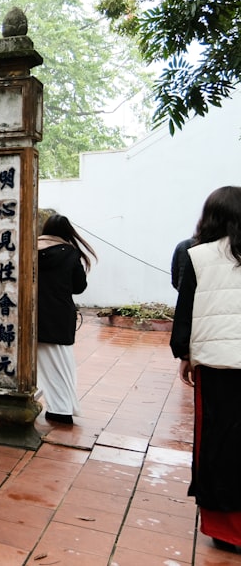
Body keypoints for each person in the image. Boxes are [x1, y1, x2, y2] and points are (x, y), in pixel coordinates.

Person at [170, 185, 241, 553]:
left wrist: (184, 354)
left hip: (216, 366)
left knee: (217, 442)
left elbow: (186, 311)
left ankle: (227, 529)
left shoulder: (197, 256)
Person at [37, 214, 96, 424]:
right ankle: (61, 409)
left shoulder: (29, 250)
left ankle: (55, 406)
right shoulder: (70, 253)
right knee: (62, 365)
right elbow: (79, 287)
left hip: (33, 316)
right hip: (59, 316)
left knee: (40, 365)